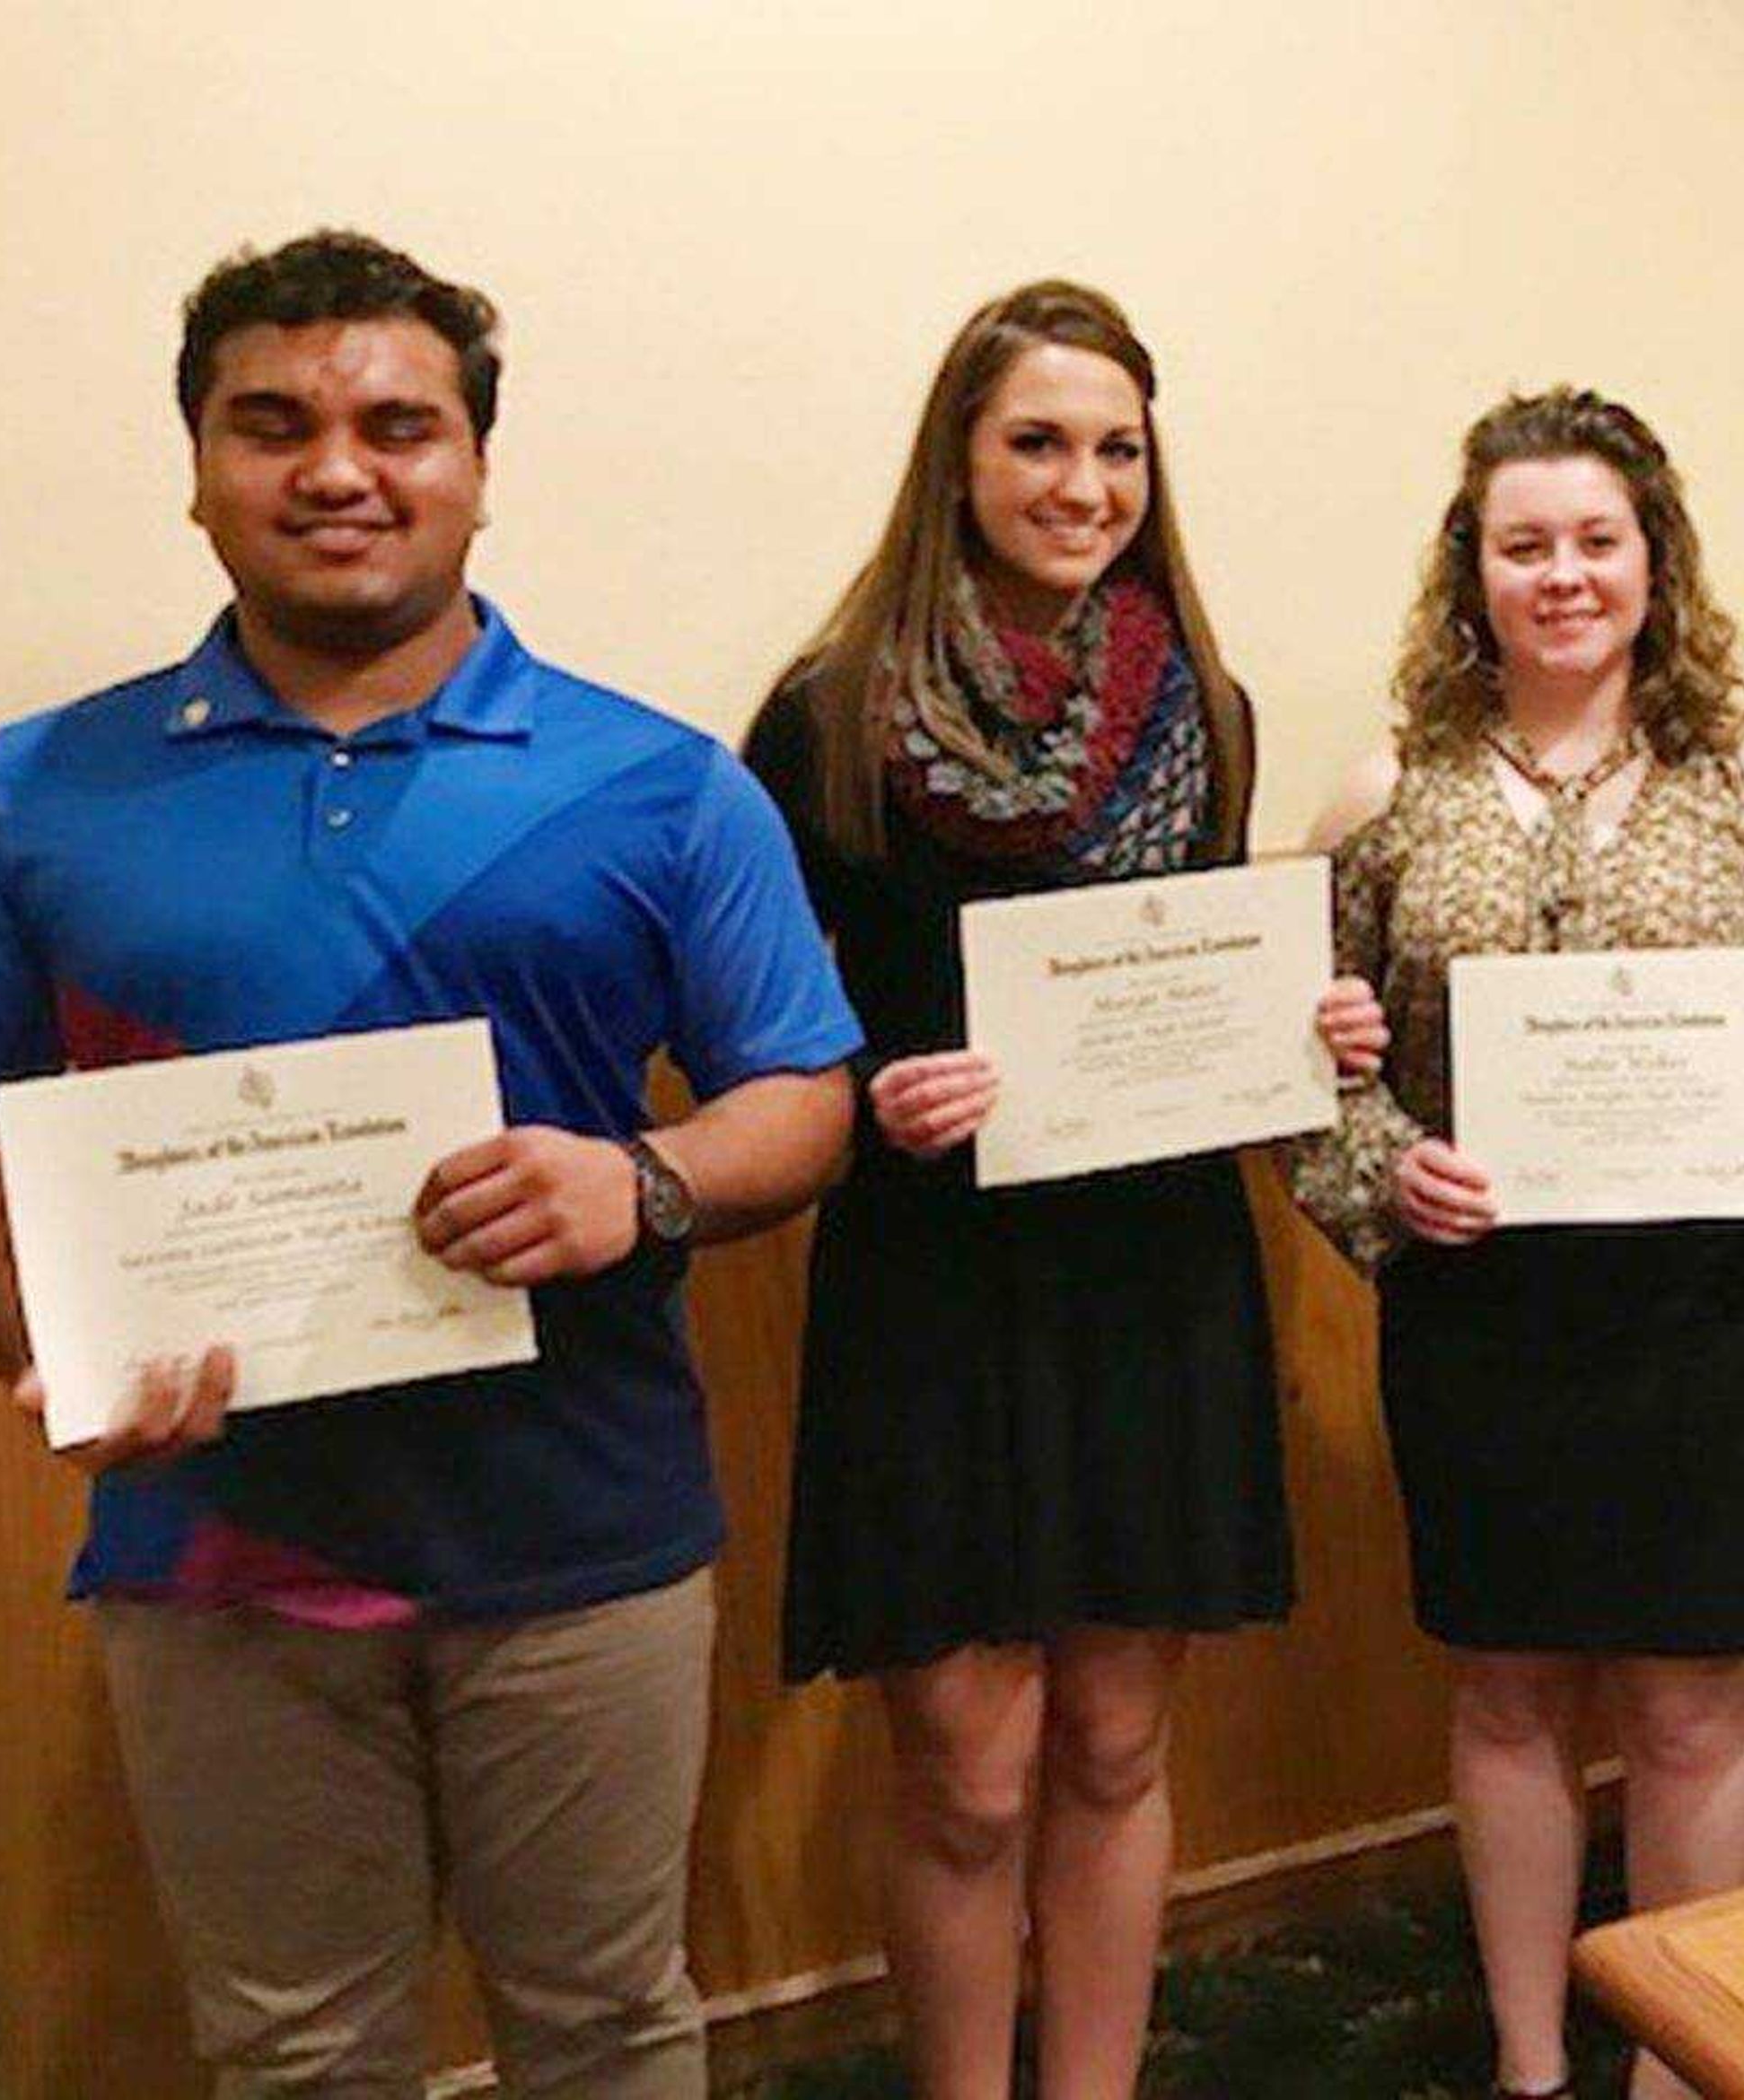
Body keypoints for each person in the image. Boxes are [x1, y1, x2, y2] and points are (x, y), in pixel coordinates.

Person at [0, 230, 860, 2096]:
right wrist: (48, 1344)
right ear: (198, 470)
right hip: (215, 1552)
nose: (337, 468)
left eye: (399, 423)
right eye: (274, 423)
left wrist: (638, 1184)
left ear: (476, 464)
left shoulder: (658, 779)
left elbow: (802, 1089)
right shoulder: (34, 791)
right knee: (298, 2053)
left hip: (585, 1540)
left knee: (609, 2029)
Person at [741, 279, 1379, 2100]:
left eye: (1115, 447)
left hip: (1150, 1273)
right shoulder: (829, 717)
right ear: (959, 457)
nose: (1081, 482)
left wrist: (1301, 1021)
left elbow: (1200, 976)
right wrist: (877, 1097)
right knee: (966, 1765)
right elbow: (759, 1033)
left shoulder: (1208, 706)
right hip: (936, 1290)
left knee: (1109, 1742)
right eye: (1038, 440)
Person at [1292, 388, 1744, 2100]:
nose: (1563, 576)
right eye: (1523, 544)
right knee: (1510, 1698)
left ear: (1654, 563)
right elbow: (1309, 1075)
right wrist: (1388, 1179)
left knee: (1698, 1710)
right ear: (1469, 574)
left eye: (1596, 541)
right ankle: (1535, 2060)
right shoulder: (1382, 796)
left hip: (1710, 1318)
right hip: (1485, 1316)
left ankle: (1682, 2067)